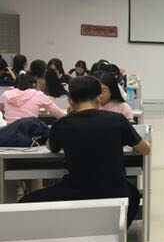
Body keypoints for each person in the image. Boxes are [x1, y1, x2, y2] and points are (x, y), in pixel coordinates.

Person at [20, 75, 151, 227]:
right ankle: (117, 232)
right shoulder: (117, 120)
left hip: (77, 191)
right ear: (98, 98)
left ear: (70, 100)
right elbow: (145, 150)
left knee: (25, 202)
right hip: (115, 191)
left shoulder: (62, 124)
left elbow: (52, 147)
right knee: (133, 194)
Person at [0, 74, 66, 123]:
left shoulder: (6, 94)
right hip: (31, 133)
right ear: (33, 84)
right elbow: (58, 113)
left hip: (9, 133)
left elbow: (1, 109)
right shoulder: (38, 95)